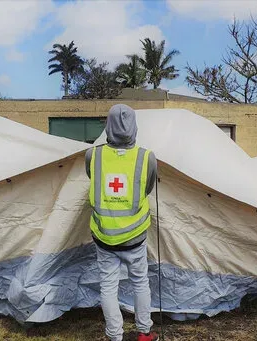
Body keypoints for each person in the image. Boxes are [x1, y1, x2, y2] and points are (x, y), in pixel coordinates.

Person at [85, 104, 158, 341]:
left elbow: (92, 178)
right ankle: (144, 333)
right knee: (140, 282)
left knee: (108, 286)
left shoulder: (92, 155)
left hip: (104, 235)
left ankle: (114, 336)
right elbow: (147, 189)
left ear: (108, 126)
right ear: (134, 127)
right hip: (135, 236)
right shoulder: (147, 157)